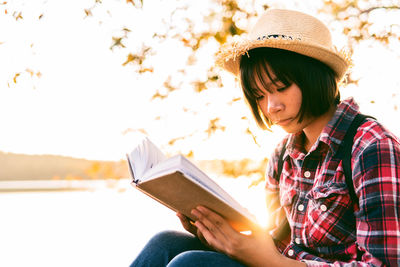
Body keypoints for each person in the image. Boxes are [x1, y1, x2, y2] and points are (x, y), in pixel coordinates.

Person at [130, 9, 400, 267]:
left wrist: (274, 263)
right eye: (259, 95)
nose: (271, 107)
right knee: (163, 244)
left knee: (190, 264)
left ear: (316, 78)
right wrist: (215, 231)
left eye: (280, 88)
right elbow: (273, 240)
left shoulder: (371, 147)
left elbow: (385, 263)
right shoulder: (284, 153)